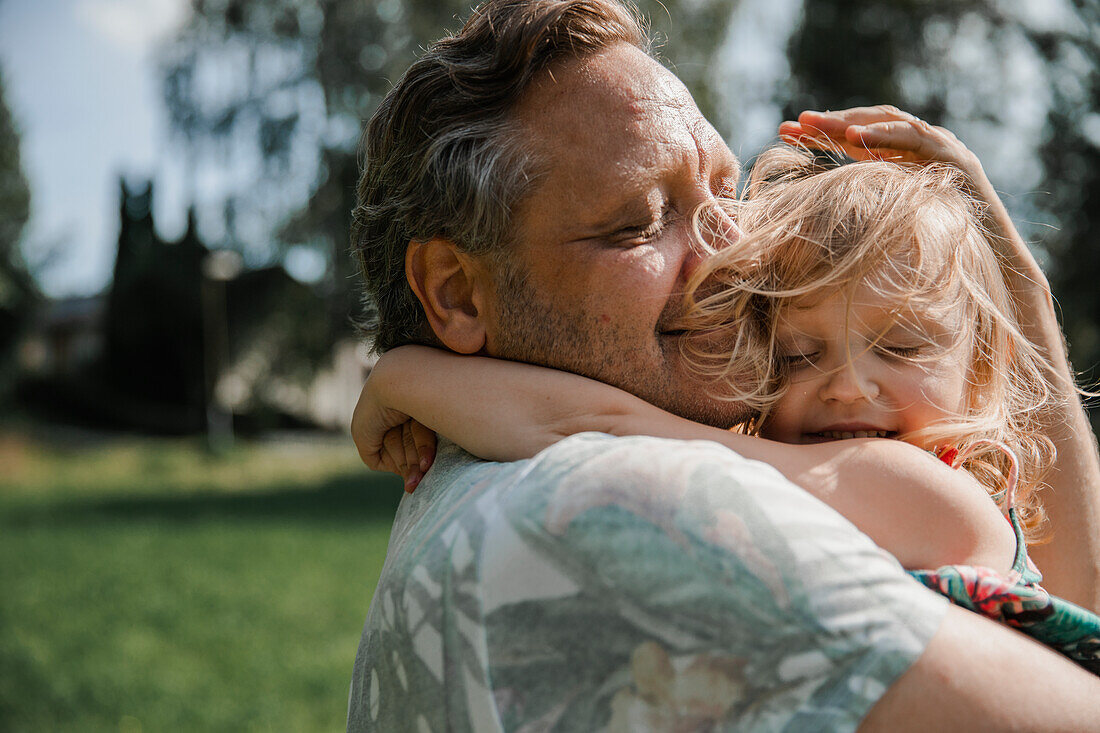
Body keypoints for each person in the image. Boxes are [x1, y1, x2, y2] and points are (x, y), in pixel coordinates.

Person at [346, 0, 1100, 729]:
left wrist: (414, 376)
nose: (730, 258)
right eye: (640, 220)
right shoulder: (649, 512)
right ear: (455, 293)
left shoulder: (465, 487)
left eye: (726, 193)